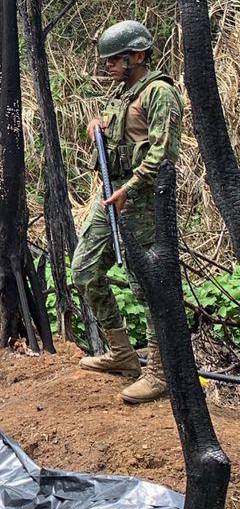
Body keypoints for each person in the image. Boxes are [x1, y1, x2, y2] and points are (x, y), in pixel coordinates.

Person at [71, 20, 183, 405]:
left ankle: (161, 372)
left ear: (137, 55)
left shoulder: (159, 92)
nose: (108, 68)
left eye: (115, 60)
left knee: (149, 286)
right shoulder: (123, 94)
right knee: (84, 269)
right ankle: (122, 354)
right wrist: (96, 128)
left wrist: (129, 188)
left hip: (144, 202)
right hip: (112, 196)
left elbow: (163, 154)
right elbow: (114, 136)